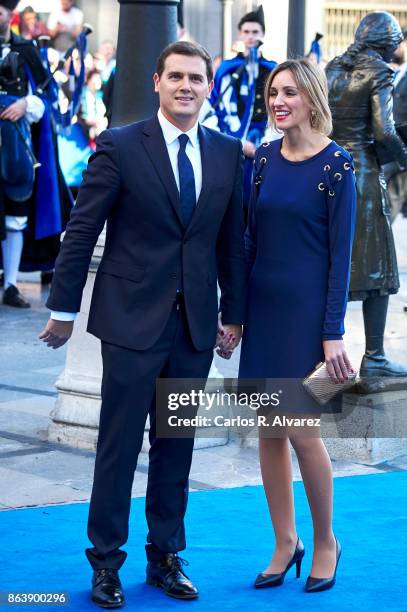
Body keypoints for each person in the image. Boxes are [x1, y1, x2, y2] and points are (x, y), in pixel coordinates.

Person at [40, 41, 246, 609]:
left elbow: (232, 245)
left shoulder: (228, 153)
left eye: (196, 78)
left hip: (193, 329)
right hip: (131, 325)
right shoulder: (121, 145)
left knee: (176, 446)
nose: (186, 86)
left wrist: (234, 315)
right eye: (175, 76)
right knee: (119, 446)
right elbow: (82, 231)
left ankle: (165, 558)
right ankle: (105, 563)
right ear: (156, 81)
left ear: (208, 87)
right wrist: (62, 309)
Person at [239, 59, 356, 593]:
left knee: (305, 435)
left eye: (289, 92)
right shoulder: (263, 157)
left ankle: (326, 540)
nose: (278, 100)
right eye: (273, 92)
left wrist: (332, 331)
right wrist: (234, 314)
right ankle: (285, 541)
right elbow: (248, 241)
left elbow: (341, 257)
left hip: (307, 320)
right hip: (262, 314)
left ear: (311, 98)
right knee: (268, 432)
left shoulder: (337, 166)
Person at [326, 12, 407, 377]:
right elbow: (385, 131)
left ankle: (322, 357)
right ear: (388, 41)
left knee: (333, 262)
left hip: (328, 169)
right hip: (363, 173)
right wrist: (404, 159)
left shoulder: (332, 68)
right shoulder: (380, 72)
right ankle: (373, 358)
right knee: (377, 268)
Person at [0, 0, 71, 307]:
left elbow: (45, 98)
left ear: (8, 14)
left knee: (16, 211)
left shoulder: (26, 50)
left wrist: (25, 104)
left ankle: (11, 284)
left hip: (16, 147)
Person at [210, 5, 276, 216]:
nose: (250, 37)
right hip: (230, 146)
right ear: (240, 34)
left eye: (255, 32)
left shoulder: (272, 69)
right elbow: (214, 109)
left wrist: (264, 144)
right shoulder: (227, 69)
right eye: (246, 32)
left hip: (264, 146)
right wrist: (236, 142)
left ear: (263, 34)